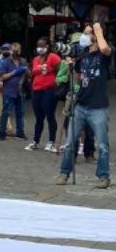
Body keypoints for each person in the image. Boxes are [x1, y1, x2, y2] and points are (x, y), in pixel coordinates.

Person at [57, 22, 112, 189]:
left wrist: (97, 30)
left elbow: (104, 49)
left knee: (102, 144)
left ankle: (103, 176)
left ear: (96, 36)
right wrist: (70, 67)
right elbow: (77, 77)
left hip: (98, 106)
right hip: (81, 104)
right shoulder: (83, 55)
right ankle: (64, 172)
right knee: (69, 142)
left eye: (88, 33)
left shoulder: (106, 53)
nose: (84, 36)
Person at [25, 38, 62, 152]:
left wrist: (56, 79)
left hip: (49, 90)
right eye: (38, 45)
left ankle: (51, 141)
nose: (40, 48)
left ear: (47, 46)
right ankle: (36, 141)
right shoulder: (36, 59)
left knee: (50, 116)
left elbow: (61, 70)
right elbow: (33, 73)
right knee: (39, 117)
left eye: (42, 45)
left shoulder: (53, 57)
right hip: (36, 90)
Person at [0, 42, 30, 141]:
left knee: (20, 113)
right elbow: (1, 77)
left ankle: (20, 133)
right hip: (9, 91)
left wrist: (26, 70)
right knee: (6, 112)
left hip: (21, 91)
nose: (15, 53)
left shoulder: (23, 61)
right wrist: (14, 72)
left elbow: (30, 75)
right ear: (10, 51)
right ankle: (2, 133)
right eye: (13, 51)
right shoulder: (5, 63)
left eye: (17, 51)